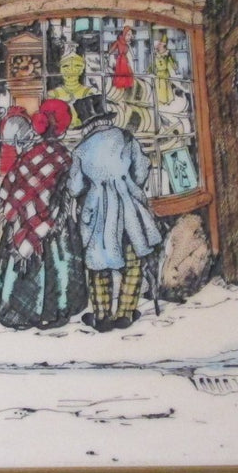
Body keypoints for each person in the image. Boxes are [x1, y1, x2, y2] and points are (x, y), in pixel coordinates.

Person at [0, 99, 88, 329]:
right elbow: (72, 189)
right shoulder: (64, 156)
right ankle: (53, 309)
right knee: (58, 263)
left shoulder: (28, 154)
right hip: (52, 223)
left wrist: (23, 210)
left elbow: (10, 188)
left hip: (22, 220)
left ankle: (11, 308)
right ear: (63, 128)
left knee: (16, 262)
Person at [67, 94, 162, 331]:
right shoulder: (126, 138)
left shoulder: (80, 150)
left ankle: (102, 316)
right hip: (128, 206)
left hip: (97, 211)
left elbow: (75, 187)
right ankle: (126, 313)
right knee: (132, 258)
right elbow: (142, 169)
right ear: (107, 118)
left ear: (86, 123)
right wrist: (127, 185)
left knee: (98, 262)